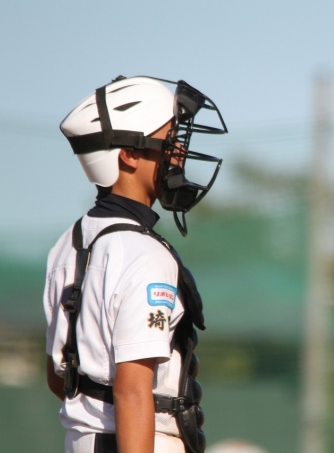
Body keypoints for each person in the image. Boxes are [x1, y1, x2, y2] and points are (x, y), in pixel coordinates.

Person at [44, 76, 228, 453]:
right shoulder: (144, 254)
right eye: (170, 138)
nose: (179, 151)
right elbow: (132, 391)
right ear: (128, 154)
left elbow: (57, 376)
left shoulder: (68, 243)